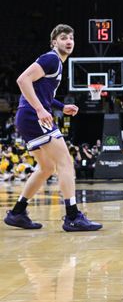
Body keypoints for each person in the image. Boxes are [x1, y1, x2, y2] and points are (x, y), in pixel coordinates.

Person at [3, 24, 102, 232]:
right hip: (32, 115)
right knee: (66, 162)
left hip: (27, 117)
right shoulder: (50, 58)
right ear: (54, 42)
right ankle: (73, 216)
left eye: (71, 38)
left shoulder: (56, 63)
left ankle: (17, 213)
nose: (69, 41)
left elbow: (43, 94)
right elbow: (23, 80)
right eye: (64, 37)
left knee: (47, 168)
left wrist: (60, 106)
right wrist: (40, 110)